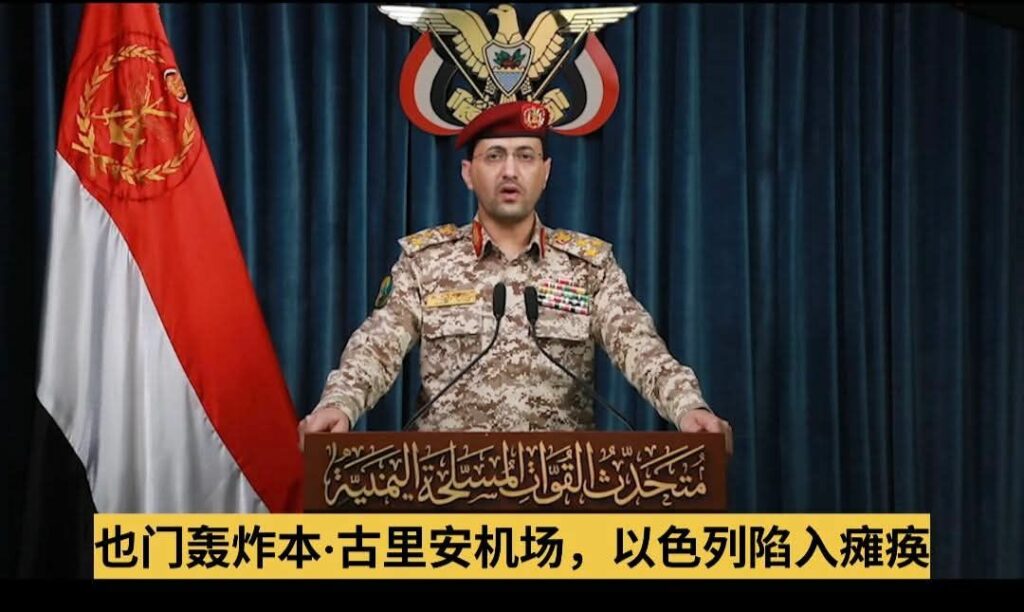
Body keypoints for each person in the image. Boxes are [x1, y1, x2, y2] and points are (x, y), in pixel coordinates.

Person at [300, 101, 732, 453]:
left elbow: (639, 347)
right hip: (445, 485)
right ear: (468, 173)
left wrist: (688, 408)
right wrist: (340, 404)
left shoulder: (588, 266)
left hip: (563, 487)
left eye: (525, 156)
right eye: (494, 156)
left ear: (546, 172)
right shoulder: (425, 263)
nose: (510, 171)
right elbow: (377, 346)